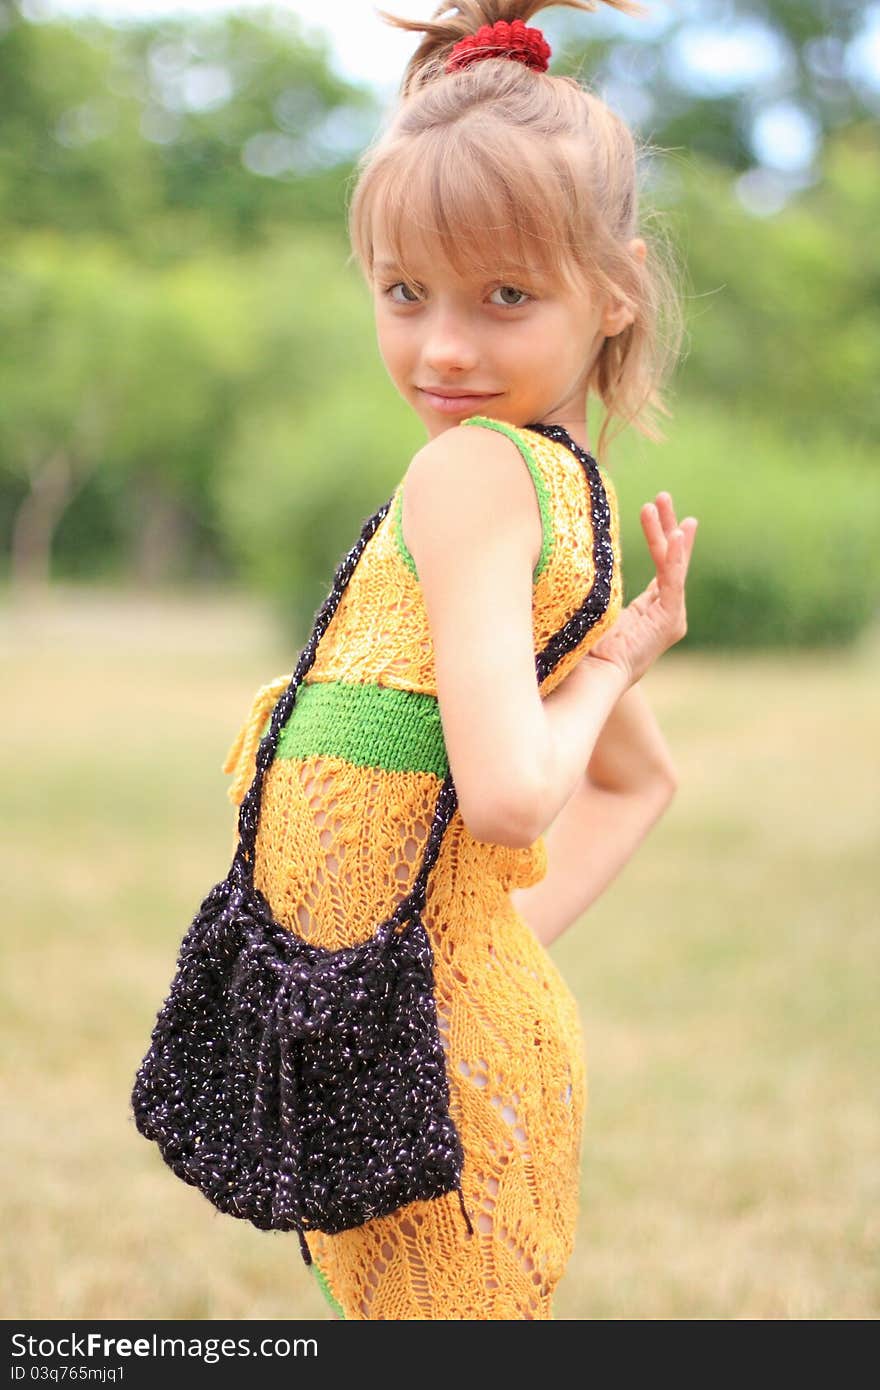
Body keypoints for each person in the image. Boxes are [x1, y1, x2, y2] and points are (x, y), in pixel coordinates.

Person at [222, 0, 698, 1320]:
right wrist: (447, 968)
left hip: (428, 1070)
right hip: (428, 1041)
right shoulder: (563, 493)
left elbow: (512, 798)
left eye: (504, 296)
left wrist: (614, 667)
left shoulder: (471, 470)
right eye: (403, 292)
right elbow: (637, 789)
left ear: (616, 291)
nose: (441, 347)